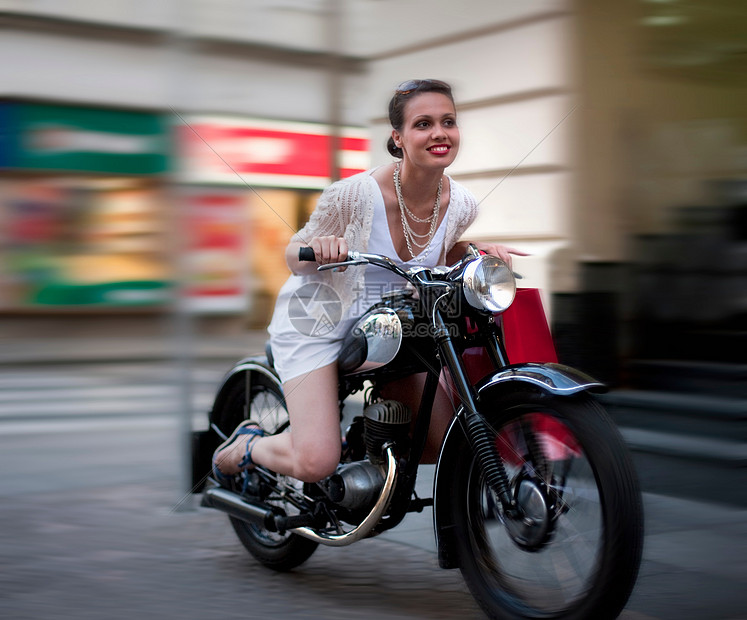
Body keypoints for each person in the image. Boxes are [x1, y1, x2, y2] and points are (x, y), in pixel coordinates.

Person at [213, 79, 525, 485]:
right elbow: (294, 254)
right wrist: (321, 248)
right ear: (398, 137)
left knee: (435, 444)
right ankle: (248, 445)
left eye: (448, 121)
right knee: (315, 463)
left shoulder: (462, 204)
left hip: (392, 326)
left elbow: (434, 252)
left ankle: (363, 443)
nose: (439, 133)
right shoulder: (354, 196)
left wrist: (470, 249)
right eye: (423, 124)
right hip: (318, 323)